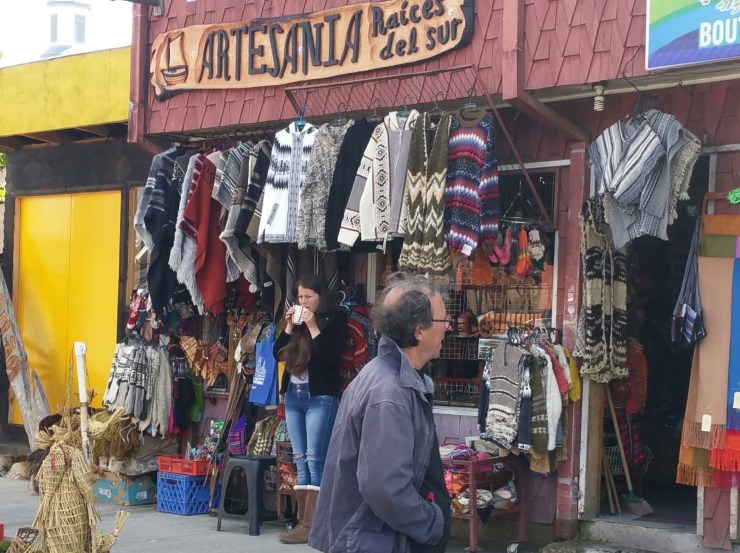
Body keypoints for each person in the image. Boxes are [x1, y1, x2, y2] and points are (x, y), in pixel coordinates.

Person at [309, 273, 452, 553]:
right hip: (376, 542)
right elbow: (385, 488)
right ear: (419, 331)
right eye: (442, 320)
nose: (448, 327)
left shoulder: (391, 378)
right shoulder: (390, 393)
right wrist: (433, 522)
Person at [274, 274, 348, 545]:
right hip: (294, 397)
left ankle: (312, 525)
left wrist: (312, 324)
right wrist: (289, 326)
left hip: (321, 398)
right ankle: (305, 522)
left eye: (309, 297)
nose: (303, 302)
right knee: (300, 459)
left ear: (320, 297)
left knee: (316, 459)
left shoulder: (335, 319)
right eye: (300, 297)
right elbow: (277, 353)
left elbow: (329, 356)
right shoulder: (296, 324)